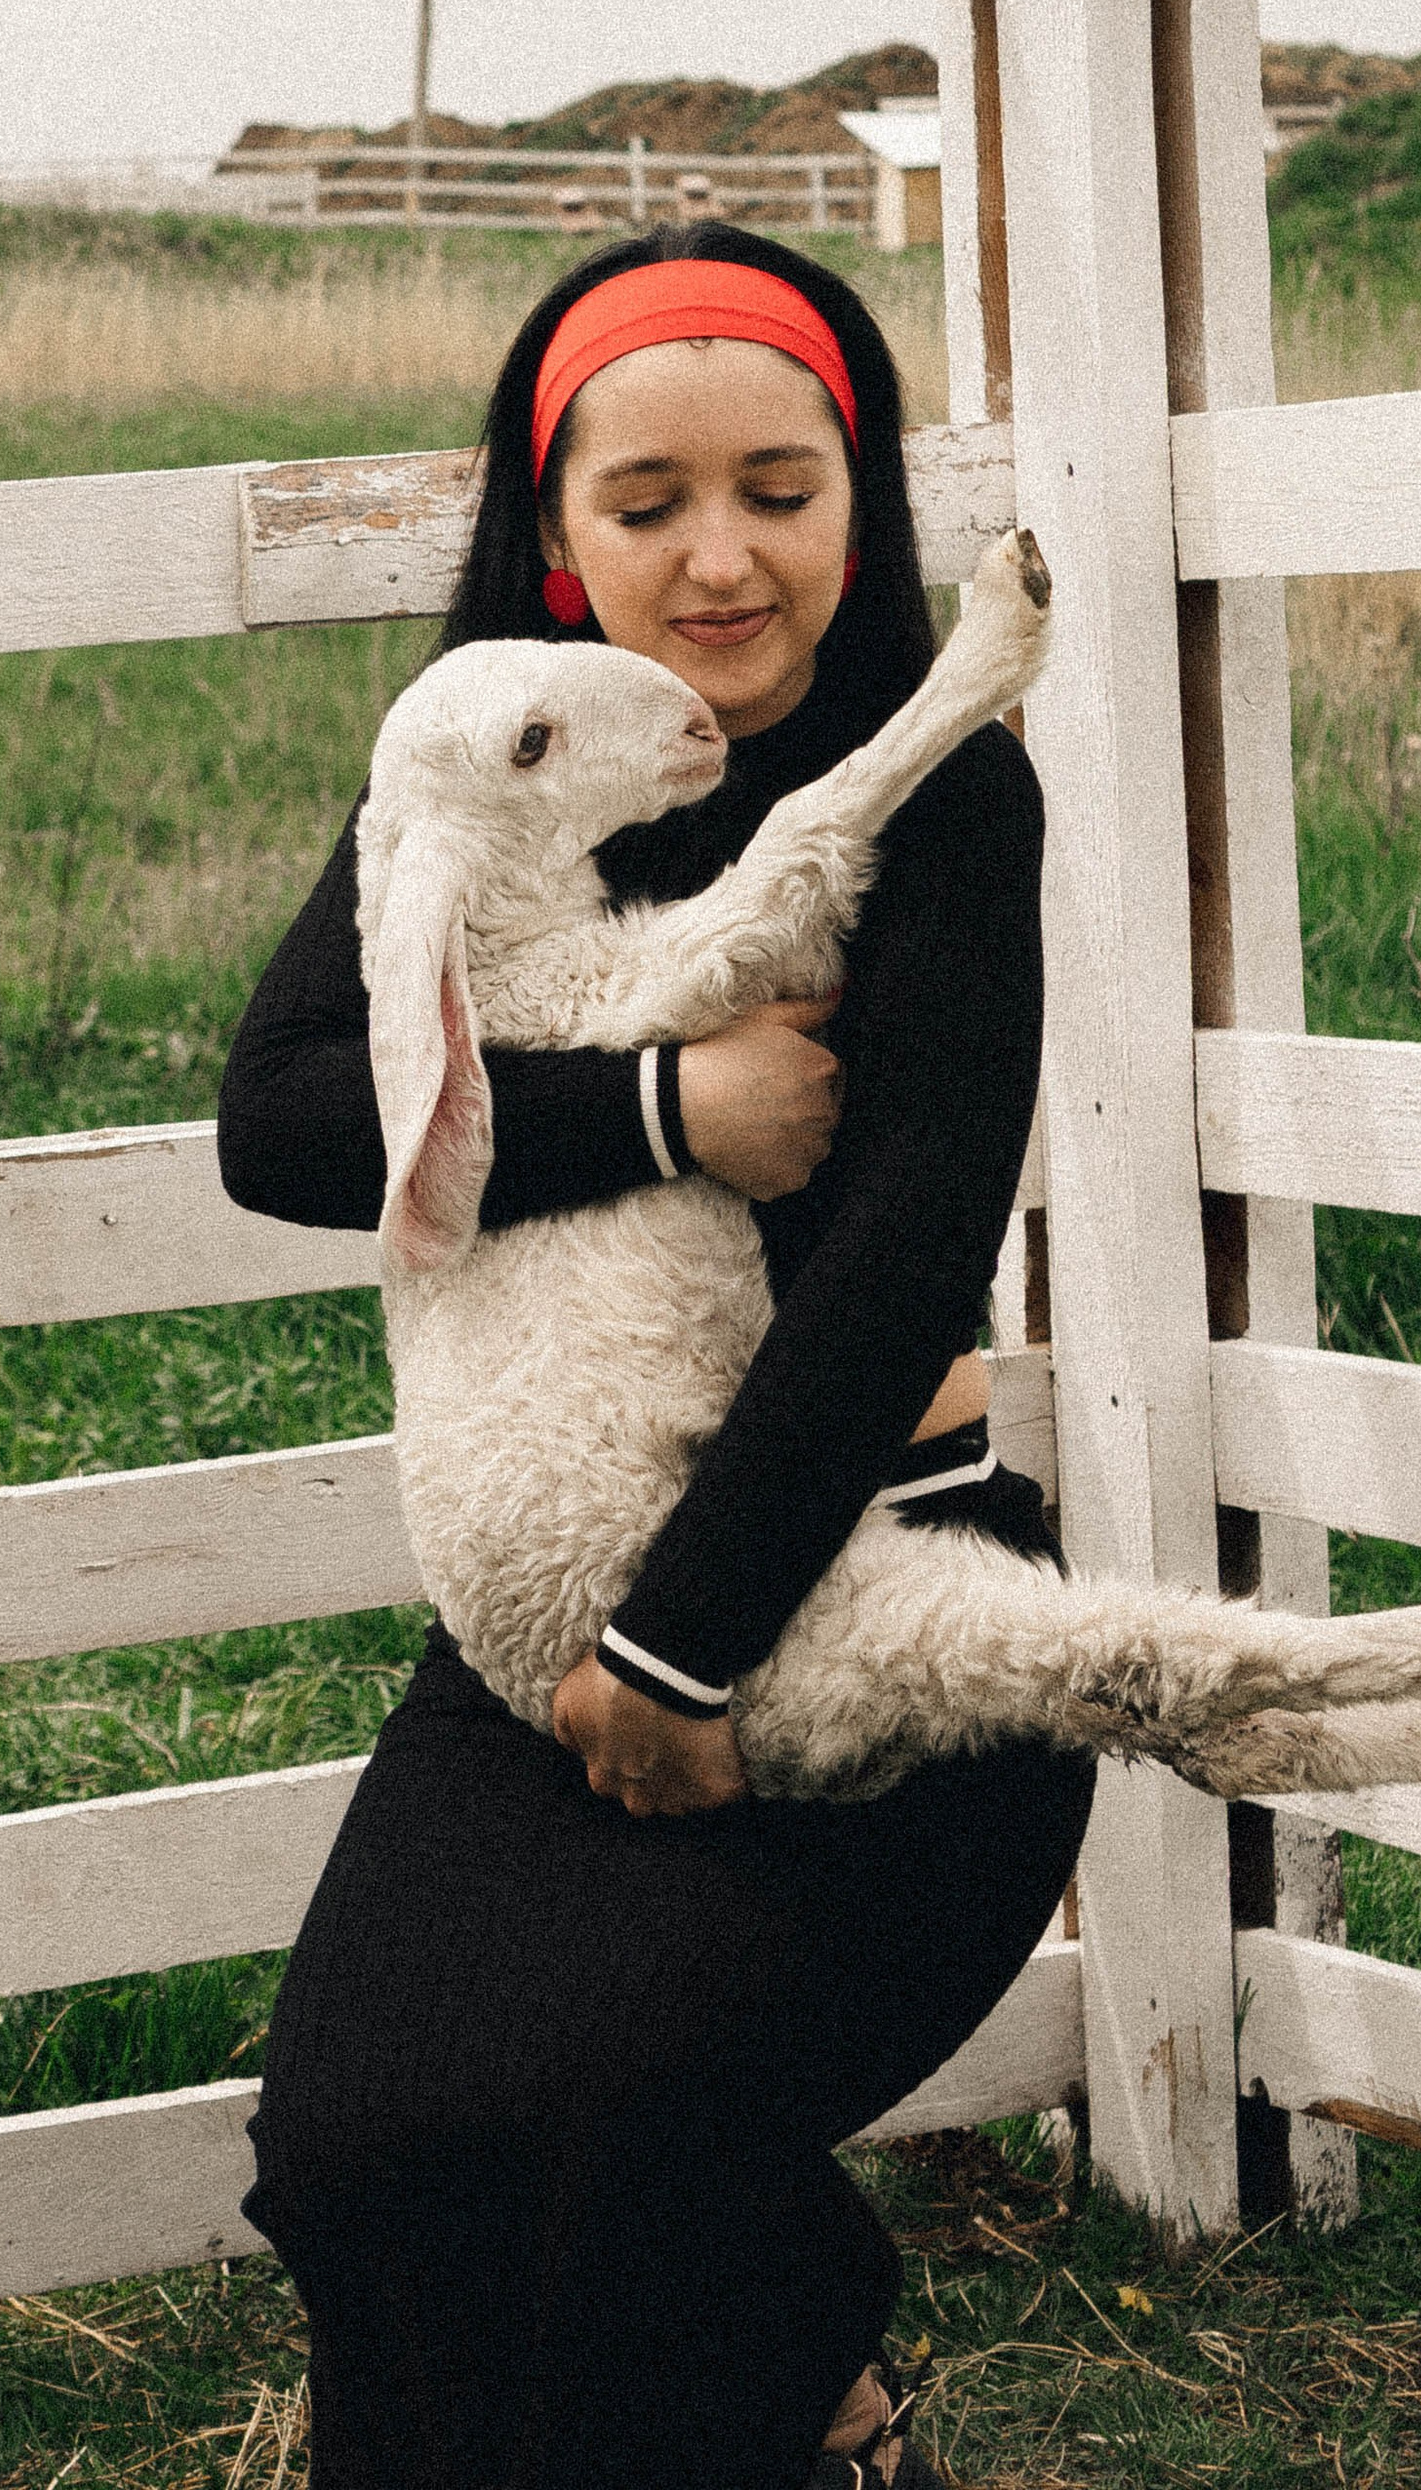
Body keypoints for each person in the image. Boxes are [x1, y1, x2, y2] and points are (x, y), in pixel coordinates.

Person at [217, 226, 1092, 2490]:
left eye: (779, 490)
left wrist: (682, 1648)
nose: (718, 560)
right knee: (350, 2149)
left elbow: (901, 1259)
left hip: (870, 1604)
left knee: (588, 2134)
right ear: (548, 523)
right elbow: (282, 1121)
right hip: (544, 1635)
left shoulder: (950, 806)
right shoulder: (479, 774)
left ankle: (809, 2403)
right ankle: (787, 2394)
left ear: (855, 497)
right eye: (643, 503)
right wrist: (657, 1111)